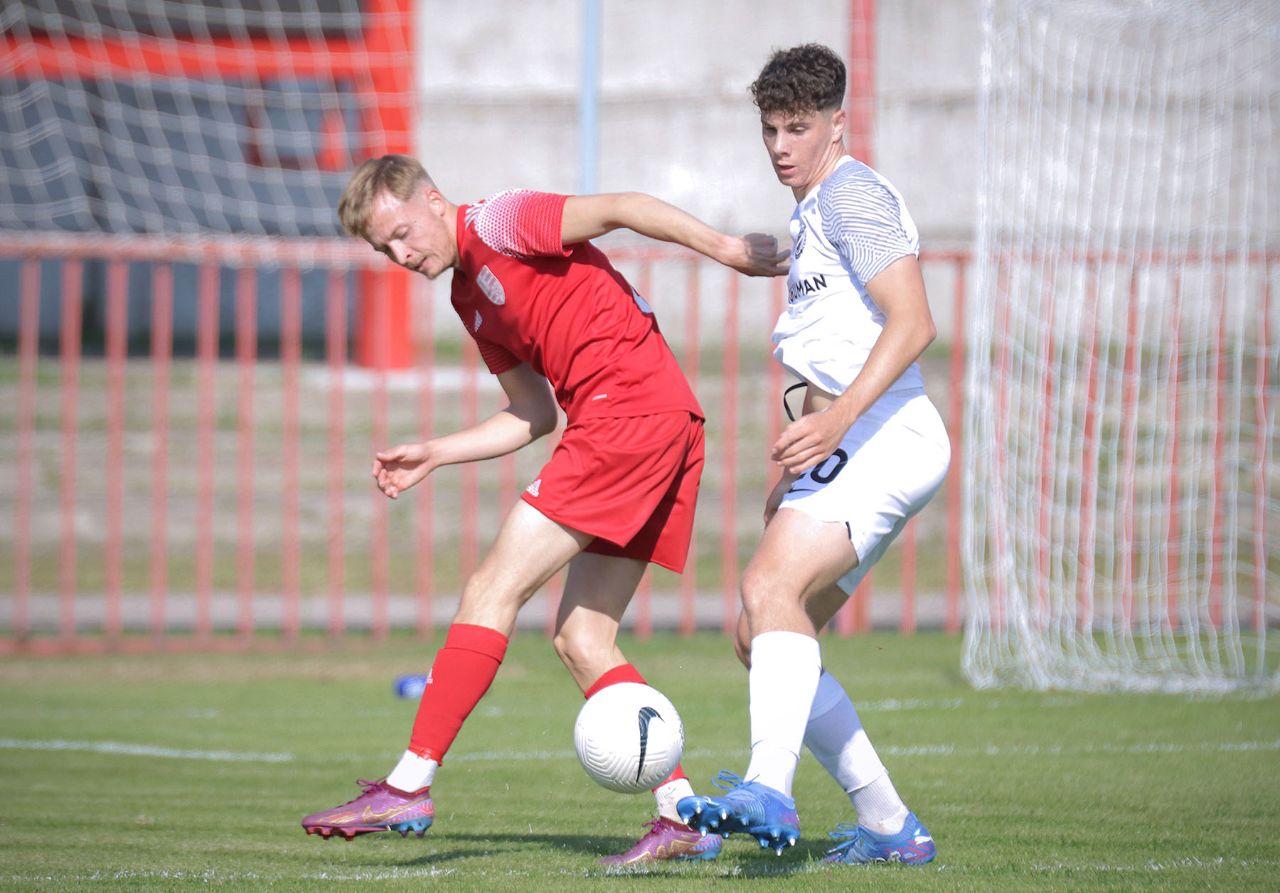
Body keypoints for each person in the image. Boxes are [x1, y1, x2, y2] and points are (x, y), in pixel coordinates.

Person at [301, 154, 786, 864]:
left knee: (490, 589)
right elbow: (533, 413)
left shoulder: (501, 220)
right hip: (656, 420)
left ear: (433, 200)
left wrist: (728, 250)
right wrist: (436, 451)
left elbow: (621, 205)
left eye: (401, 234)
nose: (401, 256)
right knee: (583, 639)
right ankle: (682, 815)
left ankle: (408, 785)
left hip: (626, 417)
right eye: (384, 250)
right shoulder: (467, 296)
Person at [677, 43, 949, 865]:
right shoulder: (811, 211)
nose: (781, 145)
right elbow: (829, 355)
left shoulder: (851, 195)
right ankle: (889, 824)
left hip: (887, 433)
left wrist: (837, 427)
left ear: (837, 123)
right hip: (854, 440)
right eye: (770, 128)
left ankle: (769, 787)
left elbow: (914, 322)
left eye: (798, 127)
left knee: (770, 587)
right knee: (760, 628)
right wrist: (803, 461)